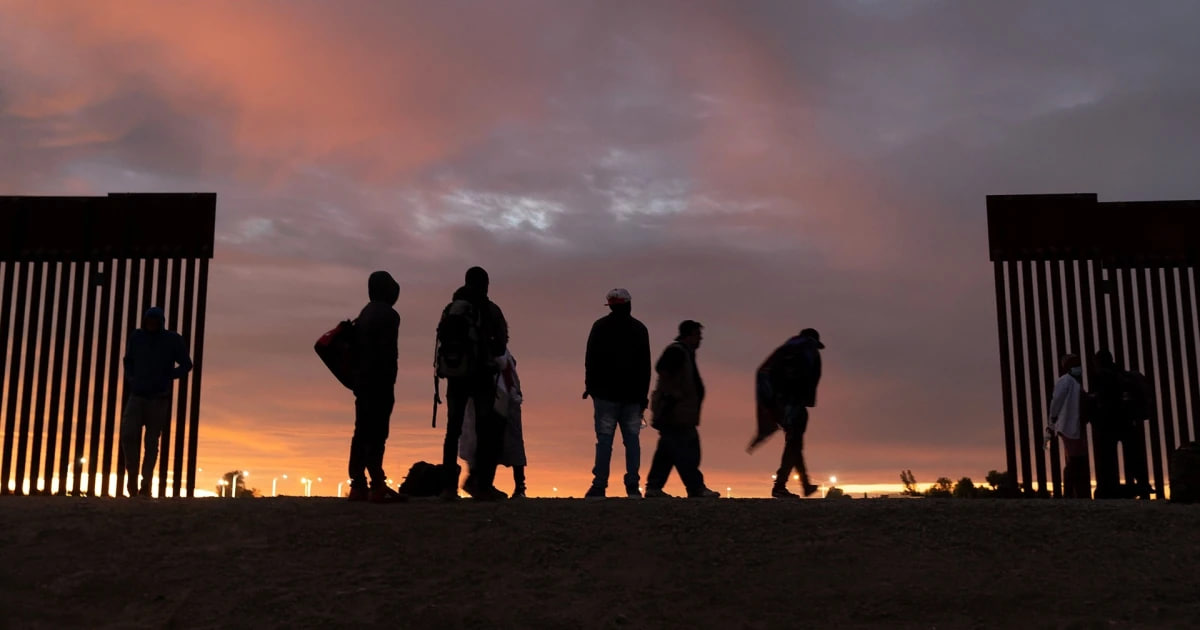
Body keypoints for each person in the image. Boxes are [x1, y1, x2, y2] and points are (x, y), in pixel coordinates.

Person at [440, 266, 509, 501]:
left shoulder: (451, 309)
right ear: (485, 284)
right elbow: (501, 345)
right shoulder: (489, 310)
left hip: (455, 375)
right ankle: (480, 484)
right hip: (481, 376)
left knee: (452, 431)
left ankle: (448, 488)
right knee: (485, 430)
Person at [582, 288, 652, 499]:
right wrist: (643, 396)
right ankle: (632, 485)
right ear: (628, 305)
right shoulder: (639, 329)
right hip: (631, 396)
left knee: (604, 440)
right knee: (632, 441)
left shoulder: (600, 327)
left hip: (605, 395)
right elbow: (645, 366)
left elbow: (590, 360)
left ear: (611, 306)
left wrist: (591, 388)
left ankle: (599, 485)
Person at [120, 307, 192, 497]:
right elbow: (128, 360)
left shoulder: (172, 340)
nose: (151, 324)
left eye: (154, 321)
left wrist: (169, 376)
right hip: (137, 395)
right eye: (148, 321)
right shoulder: (137, 337)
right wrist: (132, 378)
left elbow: (187, 364)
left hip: (158, 398)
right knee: (128, 435)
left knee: (151, 442)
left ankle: (146, 483)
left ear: (160, 322)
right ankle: (132, 478)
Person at [347, 271, 405, 503]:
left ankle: (358, 484)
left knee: (361, 431)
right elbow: (388, 353)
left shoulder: (365, 313)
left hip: (362, 381)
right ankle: (377, 484)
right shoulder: (390, 315)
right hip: (380, 381)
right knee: (378, 433)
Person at [644, 320, 720, 499]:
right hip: (674, 412)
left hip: (678, 412)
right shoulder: (677, 352)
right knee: (687, 450)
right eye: (697, 335)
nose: (700, 339)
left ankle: (654, 488)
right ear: (689, 335)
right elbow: (662, 369)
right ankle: (696, 488)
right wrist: (674, 393)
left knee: (667, 451)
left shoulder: (685, 353)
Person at [750, 328, 824, 498]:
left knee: (794, 443)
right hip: (793, 404)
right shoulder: (807, 351)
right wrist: (797, 401)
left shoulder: (785, 350)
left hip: (779, 404)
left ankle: (801, 484)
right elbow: (806, 378)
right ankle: (783, 486)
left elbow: (765, 372)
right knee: (794, 444)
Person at [459, 349, 527, 498]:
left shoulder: (490, 352)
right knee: (494, 443)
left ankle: (479, 481)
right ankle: (490, 484)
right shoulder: (500, 354)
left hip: (497, 398)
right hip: (500, 399)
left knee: (485, 442)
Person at [1048, 354, 1089, 498]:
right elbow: (1056, 401)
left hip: (1073, 425)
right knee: (1075, 460)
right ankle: (1070, 493)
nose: (1078, 367)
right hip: (1068, 426)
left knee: (1076, 459)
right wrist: (1052, 419)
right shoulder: (1065, 381)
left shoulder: (1073, 382)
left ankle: (1074, 492)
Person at [1089, 350, 1126, 498]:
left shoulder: (1099, 376)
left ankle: (1106, 488)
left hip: (1104, 423)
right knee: (1125, 456)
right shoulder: (1120, 374)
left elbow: (1097, 398)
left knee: (1105, 458)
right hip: (1123, 421)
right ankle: (1130, 486)